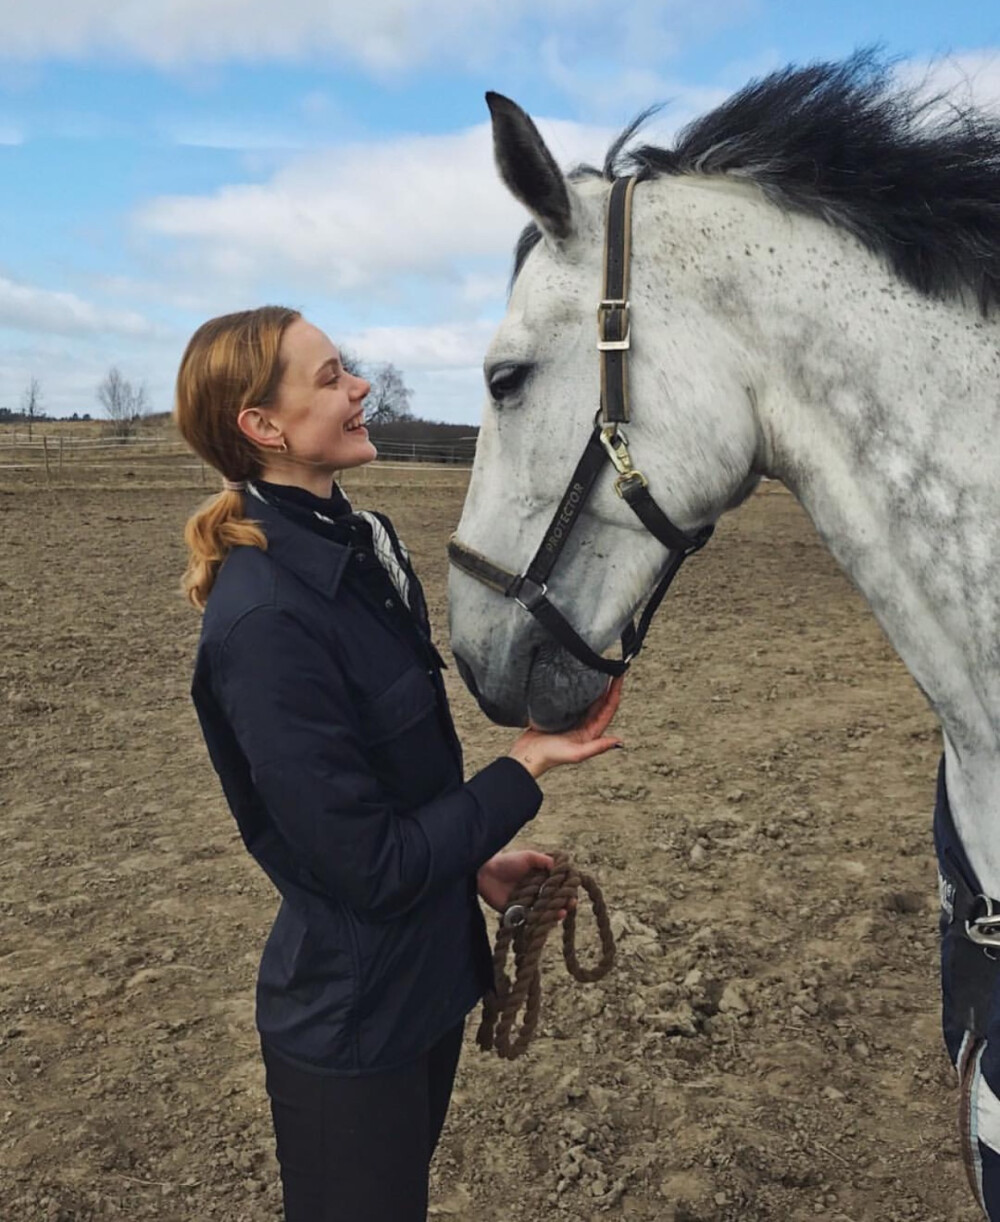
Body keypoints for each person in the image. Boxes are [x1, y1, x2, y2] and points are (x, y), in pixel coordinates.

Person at [174, 305, 624, 1222]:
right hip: (352, 1024)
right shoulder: (266, 622)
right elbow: (368, 866)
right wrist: (522, 768)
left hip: (421, 989)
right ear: (264, 428)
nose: (361, 387)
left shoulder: (363, 550)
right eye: (332, 376)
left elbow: (392, 800)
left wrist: (475, 865)